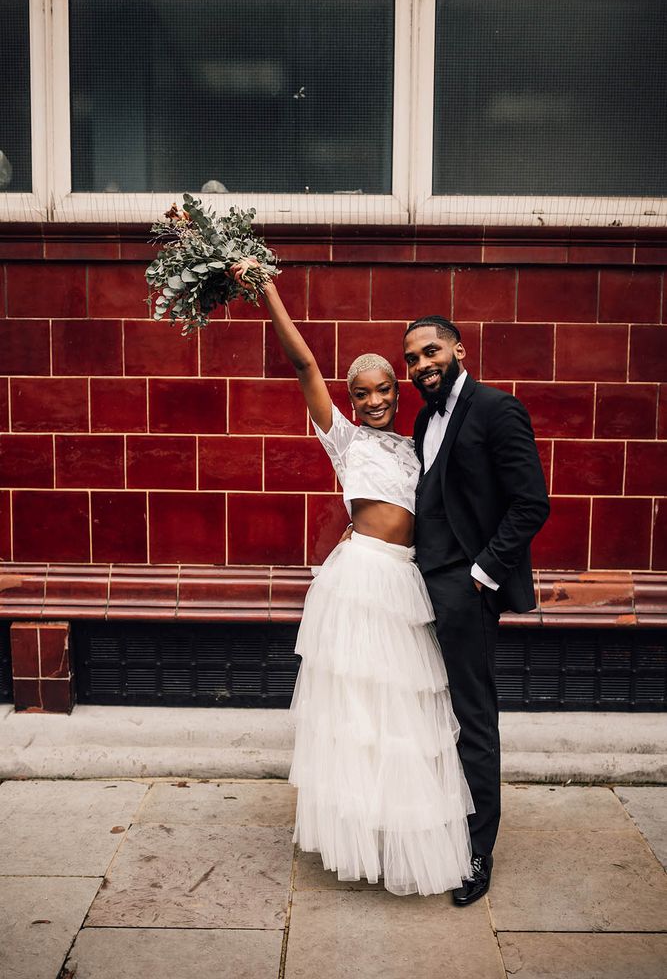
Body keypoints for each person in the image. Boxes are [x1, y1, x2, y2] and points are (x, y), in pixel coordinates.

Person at [231, 264, 473, 897]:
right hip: (361, 581)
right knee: (360, 716)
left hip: (405, 583)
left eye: (383, 390)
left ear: (398, 391)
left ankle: (403, 833)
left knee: (405, 717)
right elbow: (306, 366)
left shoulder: (419, 443)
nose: (373, 401)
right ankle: (361, 834)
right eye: (361, 393)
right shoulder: (344, 442)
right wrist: (266, 290)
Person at [403, 315, 550, 906]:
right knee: (427, 714)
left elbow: (530, 504)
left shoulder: (497, 409)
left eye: (430, 351)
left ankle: (476, 852)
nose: (420, 365)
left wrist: (481, 575)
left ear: (459, 349)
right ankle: (435, 825)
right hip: (417, 586)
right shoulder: (420, 420)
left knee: (473, 718)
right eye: (412, 358)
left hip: (467, 590)